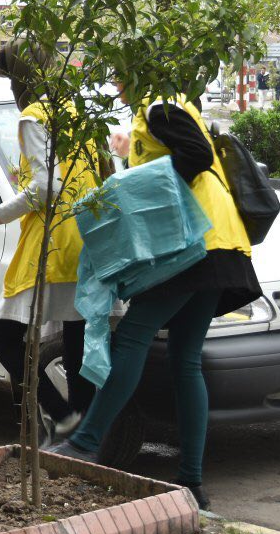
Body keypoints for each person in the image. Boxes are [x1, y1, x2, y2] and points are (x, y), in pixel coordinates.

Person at [47, 86, 261, 511]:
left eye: (120, 74)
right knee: (186, 359)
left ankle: (87, 441)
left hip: (194, 244)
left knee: (132, 338)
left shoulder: (161, 103)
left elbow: (195, 156)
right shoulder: (169, 105)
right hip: (217, 243)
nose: (116, 83)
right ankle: (192, 485)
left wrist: (135, 183)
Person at [0, 41, 99, 442]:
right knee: (77, 334)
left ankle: (63, 416)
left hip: (55, 238)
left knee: (1, 336)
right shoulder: (74, 111)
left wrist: (3, 212)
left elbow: (47, 185)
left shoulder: (34, 117)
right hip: (88, 233)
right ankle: (81, 434)